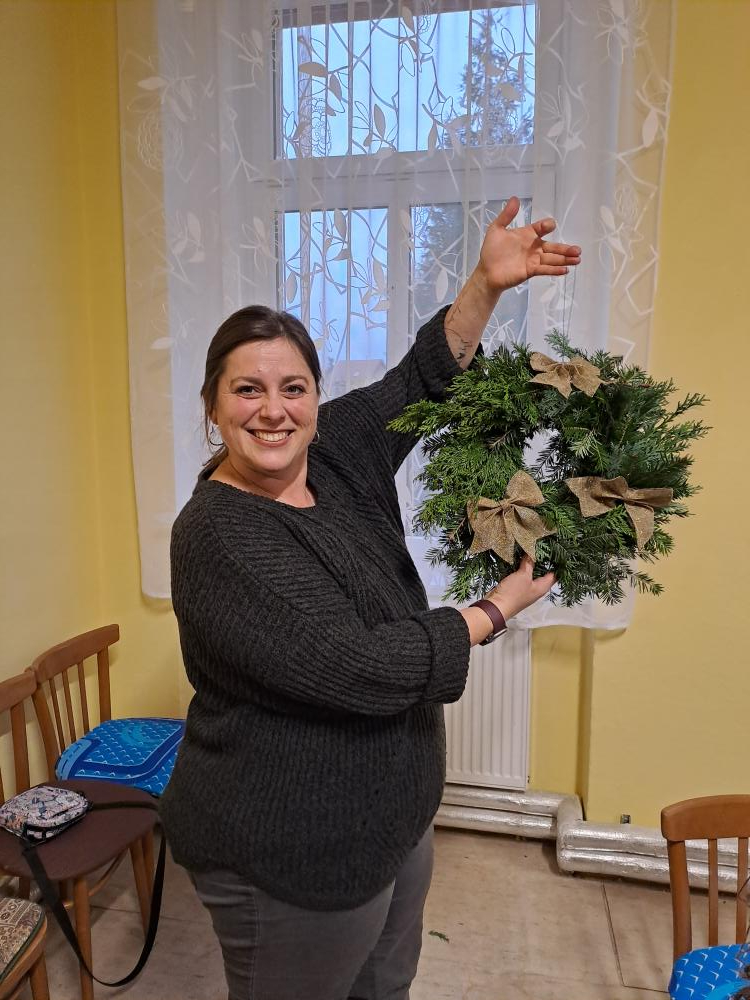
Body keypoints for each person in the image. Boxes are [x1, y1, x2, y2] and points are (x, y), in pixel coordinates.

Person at [159, 196, 582, 1000]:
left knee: (385, 985)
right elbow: (357, 666)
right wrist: (494, 609)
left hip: (390, 819)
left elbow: (417, 381)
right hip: (294, 850)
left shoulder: (335, 452)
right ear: (213, 405)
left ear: (316, 399)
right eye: (248, 390)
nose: (274, 410)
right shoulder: (218, 533)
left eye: (293, 387)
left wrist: (487, 285)